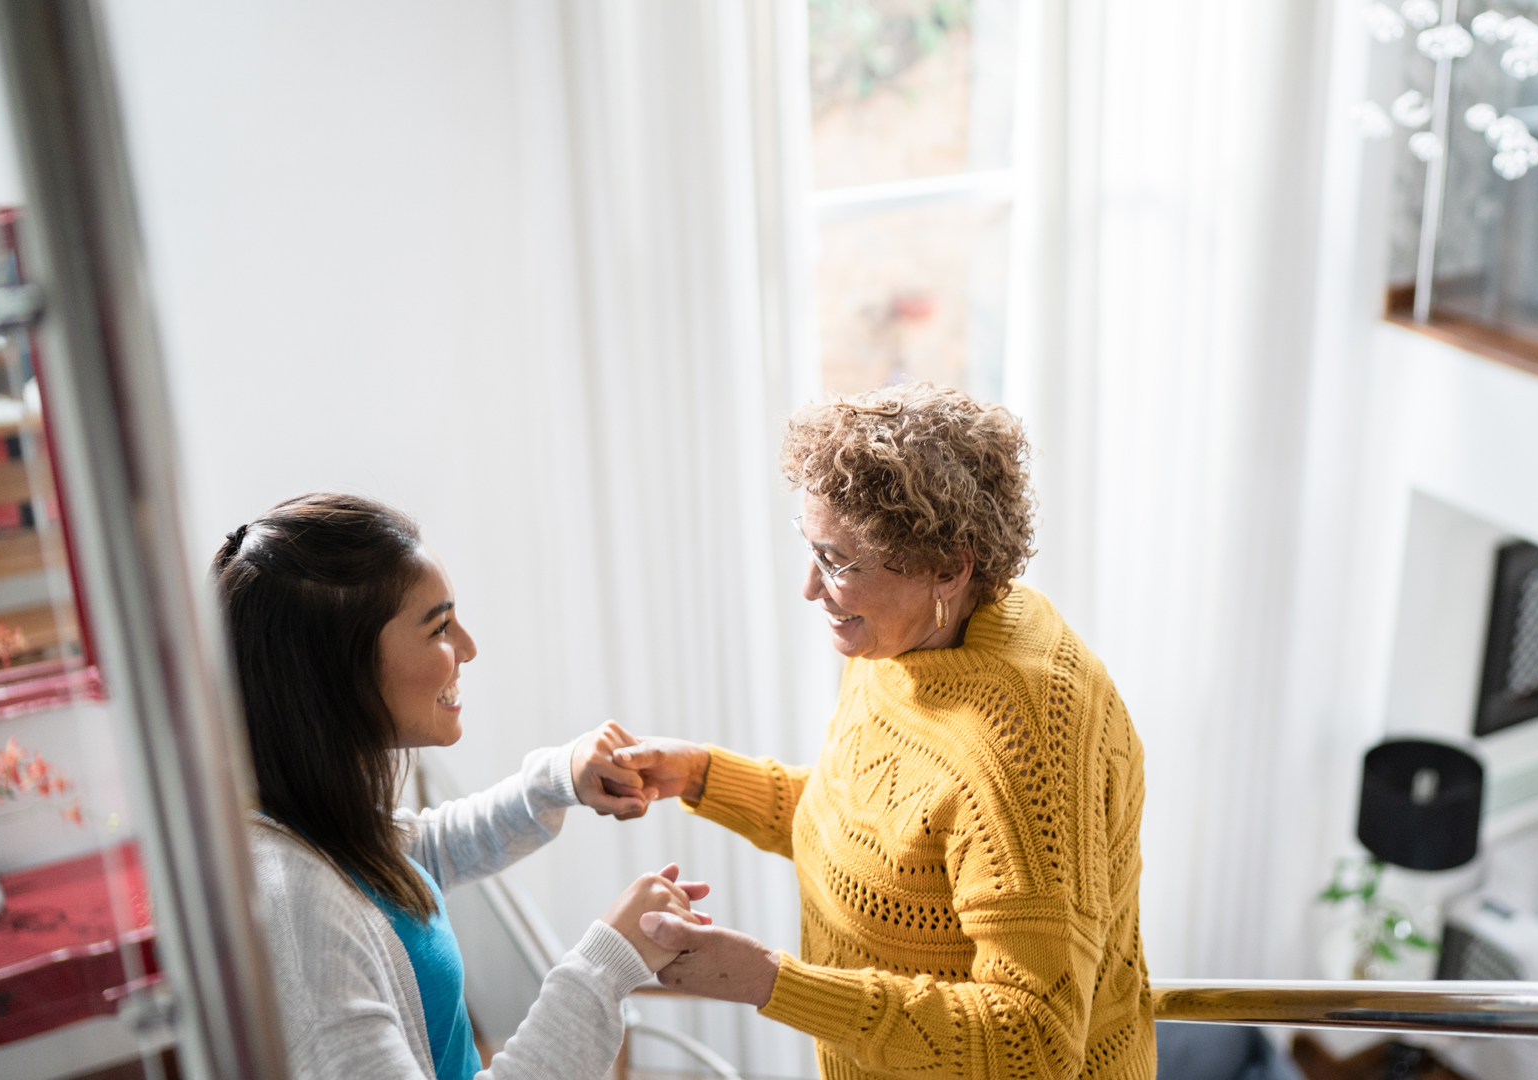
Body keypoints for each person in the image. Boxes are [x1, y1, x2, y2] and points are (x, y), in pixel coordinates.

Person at [610, 384, 1155, 1080]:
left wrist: (774, 983)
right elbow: (880, 828)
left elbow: (1036, 1042)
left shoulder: (1025, 746)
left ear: (949, 568)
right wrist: (703, 777)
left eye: (837, 560)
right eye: (811, 549)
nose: (811, 586)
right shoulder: (907, 641)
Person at [215, 493, 707, 1080]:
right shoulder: (299, 910)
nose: (468, 648)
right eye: (440, 627)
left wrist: (559, 779)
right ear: (340, 671)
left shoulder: (313, 822)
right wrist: (604, 967)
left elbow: (423, 849)